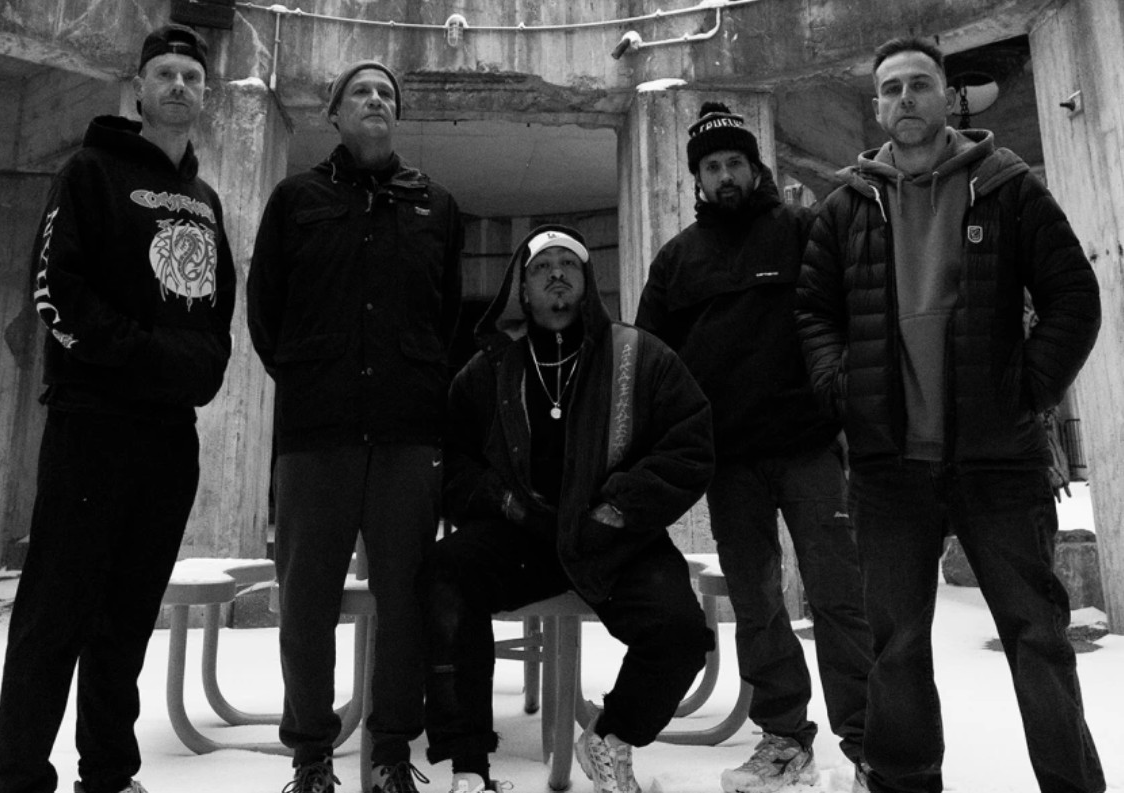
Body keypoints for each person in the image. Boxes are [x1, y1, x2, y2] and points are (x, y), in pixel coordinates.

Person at [795, 35, 1105, 793]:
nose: (905, 98)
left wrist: (1025, 389)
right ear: (877, 107)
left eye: (920, 84)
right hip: (888, 466)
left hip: (999, 462)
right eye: (891, 88)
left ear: (946, 97)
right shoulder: (845, 209)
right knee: (895, 646)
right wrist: (842, 388)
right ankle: (906, 782)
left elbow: (1073, 296)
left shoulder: (1008, 187)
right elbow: (813, 313)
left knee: (1037, 638)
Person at [0, 24, 235, 793]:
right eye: (165, 73)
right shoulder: (89, 171)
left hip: (170, 437)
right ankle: (21, 774)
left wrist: (199, 368)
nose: (179, 86)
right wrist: (150, 357)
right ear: (139, 89)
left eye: (192, 76)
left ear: (205, 95)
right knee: (56, 608)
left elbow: (218, 316)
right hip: (91, 423)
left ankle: (108, 771)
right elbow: (56, 292)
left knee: (127, 614)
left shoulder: (204, 200)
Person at [423, 225, 716, 793]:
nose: (556, 274)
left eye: (569, 264)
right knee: (444, 574)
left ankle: (611, 737)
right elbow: (451, 460)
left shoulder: (639, 355)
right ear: (522, 290)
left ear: (588, 281)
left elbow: (690, 442)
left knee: (680, 632)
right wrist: (500, 499)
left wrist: (622, 506)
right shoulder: (489, 370)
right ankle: (469, 768)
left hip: (613, 537)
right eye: (541, 267)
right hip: (523, 535)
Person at [635, 102, 873, 793]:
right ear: (698, 178)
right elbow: (651, 361)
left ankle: (870, 742)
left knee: (839, 595)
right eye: (712, 166)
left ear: (754, 165)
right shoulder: (677, 260)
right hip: (729, 462)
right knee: (757, 603)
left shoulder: (803, 231)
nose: (724, 175)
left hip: (808, 449)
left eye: (734, 162)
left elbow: (847, 313)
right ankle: (783, 738)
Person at [247, 60, 463, 793]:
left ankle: (391, 751)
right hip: (318, 434)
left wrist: (416, 380)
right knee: (306, 601)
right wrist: (312, 377)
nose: (377, 100)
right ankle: (312, 757)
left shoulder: (437, 204)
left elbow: (446, 316)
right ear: (334, 114)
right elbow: (266, 311)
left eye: (387, 94)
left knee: (405, 599)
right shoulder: (295, 199)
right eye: (361, 92)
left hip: (408, 435)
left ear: (397, 116)